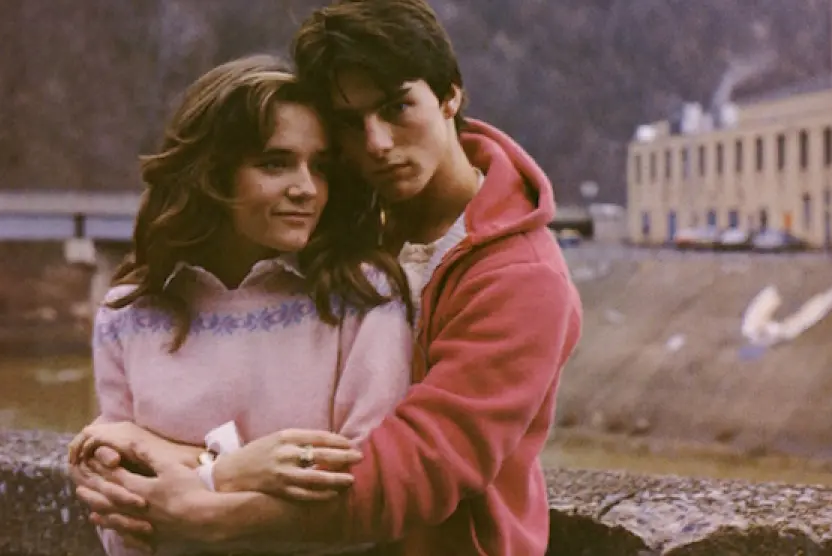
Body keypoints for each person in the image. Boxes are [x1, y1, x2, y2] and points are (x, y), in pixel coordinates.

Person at [74, 1, 583, 554]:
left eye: (397, 107)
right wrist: (161, 458)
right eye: (349, 123)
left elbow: (423, 461)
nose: (377, 143)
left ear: (450, 96)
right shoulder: (345, 222)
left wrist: (215, 504)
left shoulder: (523, 278)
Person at [68, 53, 415, 555]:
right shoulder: (128, 313)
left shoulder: (362, 297)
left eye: (319, 166)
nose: (306, 189)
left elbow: (362, 493)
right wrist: (234, 470)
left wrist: (188, 469)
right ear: (211, 173)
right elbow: (125, 518)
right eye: (275, 163)